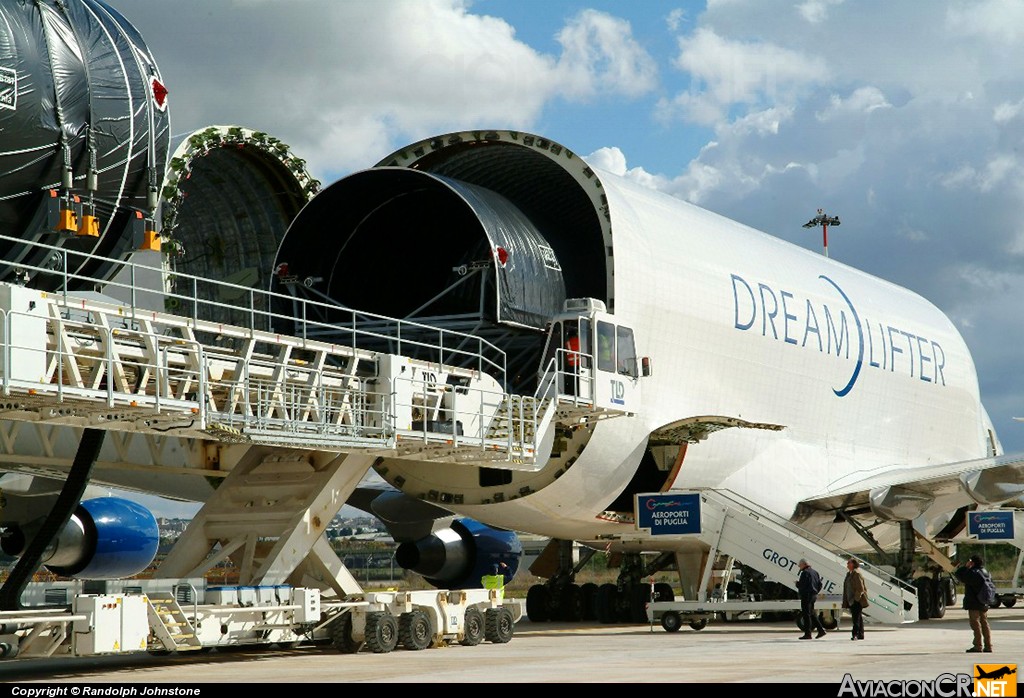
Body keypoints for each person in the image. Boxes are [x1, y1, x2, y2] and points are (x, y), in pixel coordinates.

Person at [955, 554, 993, 653]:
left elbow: (959, 575)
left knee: (975, 624)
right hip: (984, 601)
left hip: (974, 602)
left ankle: (978, 646)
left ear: (972, 562)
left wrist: (966, 566)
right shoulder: (986, 572)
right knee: (984, 623)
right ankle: (988, 646)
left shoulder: (973, 573)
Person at [797, 558, 827, 639]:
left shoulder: (805, 573)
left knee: (806, 614)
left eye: (800, 565)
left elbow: (802, 585)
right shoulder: (815, 572)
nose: (799, 567)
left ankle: (808, 634)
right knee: (812, 613)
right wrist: (816, 591)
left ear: (804, 564)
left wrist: (797, 584)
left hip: (806, 595)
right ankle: (821, 630)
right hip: (813, 595)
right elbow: (820, 584)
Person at [842, 558, 869, 640]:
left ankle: (855, 634)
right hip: (850, 600)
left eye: (848, 563)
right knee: (858, 617)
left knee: (856, 618)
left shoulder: (856, 574)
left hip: (856, 600)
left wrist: (855, 599)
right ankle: (861, 634)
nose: (847, 565)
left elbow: (860, 588)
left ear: (853, 564)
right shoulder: (849, 574)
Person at [563, 327, 580, 395]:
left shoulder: (568, 343)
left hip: (571, 365)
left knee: (572, 382)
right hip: (580, 365)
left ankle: (573, 393)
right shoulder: (579, 340)